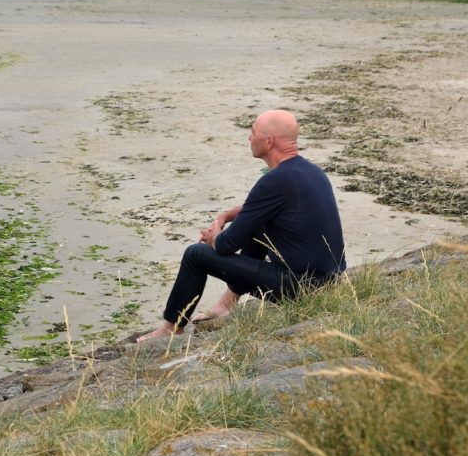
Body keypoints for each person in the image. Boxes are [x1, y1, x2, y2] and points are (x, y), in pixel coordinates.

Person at [138, 109, 345, 340]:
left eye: (252, 132)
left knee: (196, 254)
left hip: (301, 288)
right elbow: (255, 210)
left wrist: (213, 236)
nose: (249, 138)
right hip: (328, 283)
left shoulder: (274, 180)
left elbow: (225, 246)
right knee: (256, 225)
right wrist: (225, 216)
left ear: (268, 141)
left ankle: (171, 328)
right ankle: (226, 304)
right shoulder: (310, 171)